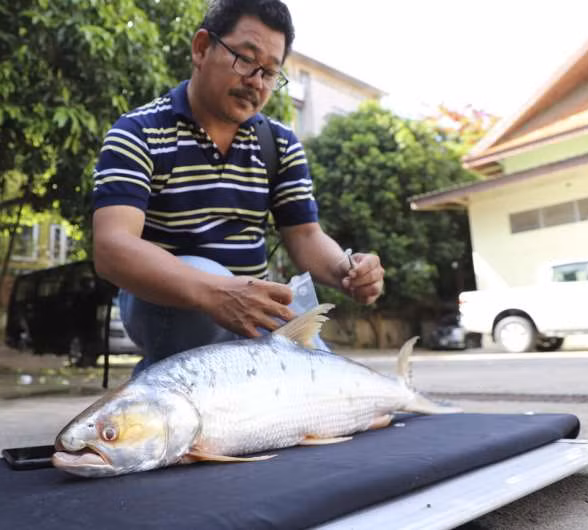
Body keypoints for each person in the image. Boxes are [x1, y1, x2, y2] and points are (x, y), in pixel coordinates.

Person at [92, 0, 384, 374]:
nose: (256, 82)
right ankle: (168, 385)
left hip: (252, 309)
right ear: (201, 49)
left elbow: (307, 236)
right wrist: (219, 291)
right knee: (202, 271)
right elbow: (112, 247)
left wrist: (349, 269)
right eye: (245, 60)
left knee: (325, 379)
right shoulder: (138, 133)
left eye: (269, 73)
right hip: (168, 306)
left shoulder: (279, 144)